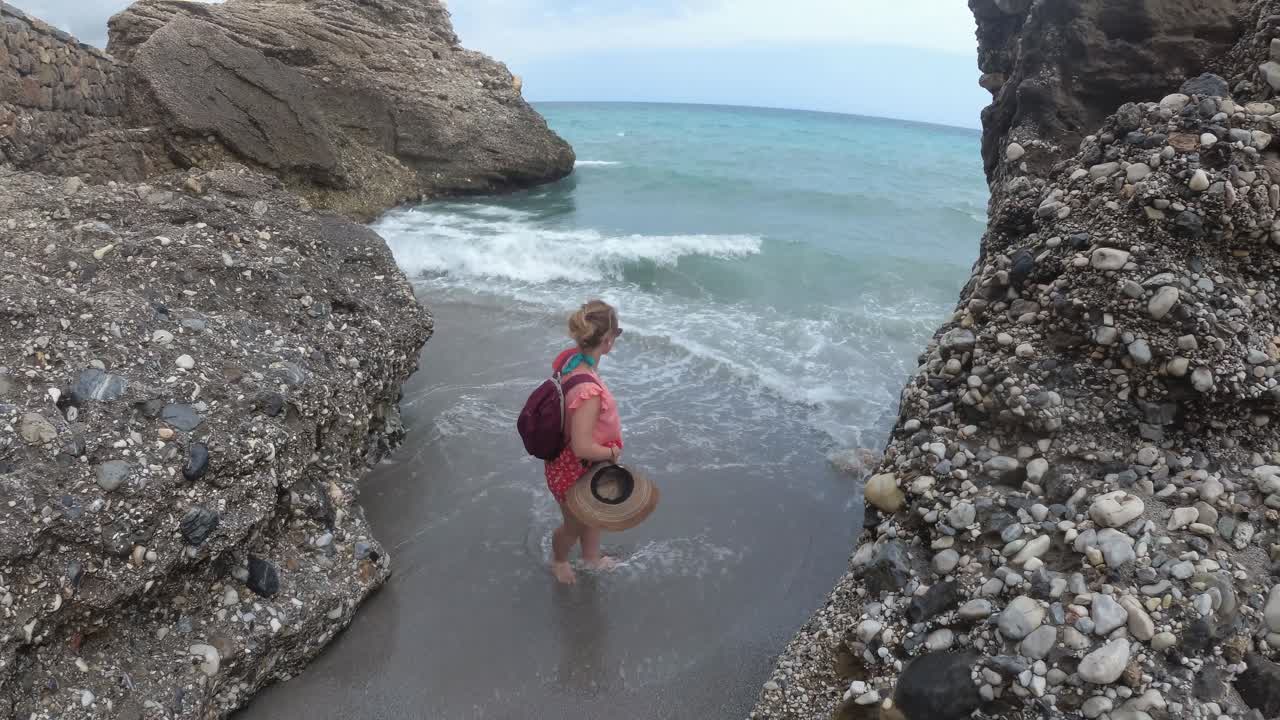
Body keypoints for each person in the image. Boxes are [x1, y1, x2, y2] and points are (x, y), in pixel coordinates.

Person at [545, 299, 624, 584]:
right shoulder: (588, 390)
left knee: (593, 513)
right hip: (573, 468)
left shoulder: (572, 360)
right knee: (574, 524)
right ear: (607, 340)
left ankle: (591, 557)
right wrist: (612, 452)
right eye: (618, 333)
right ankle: (559, 559)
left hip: (581, 464)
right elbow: (581, 447)